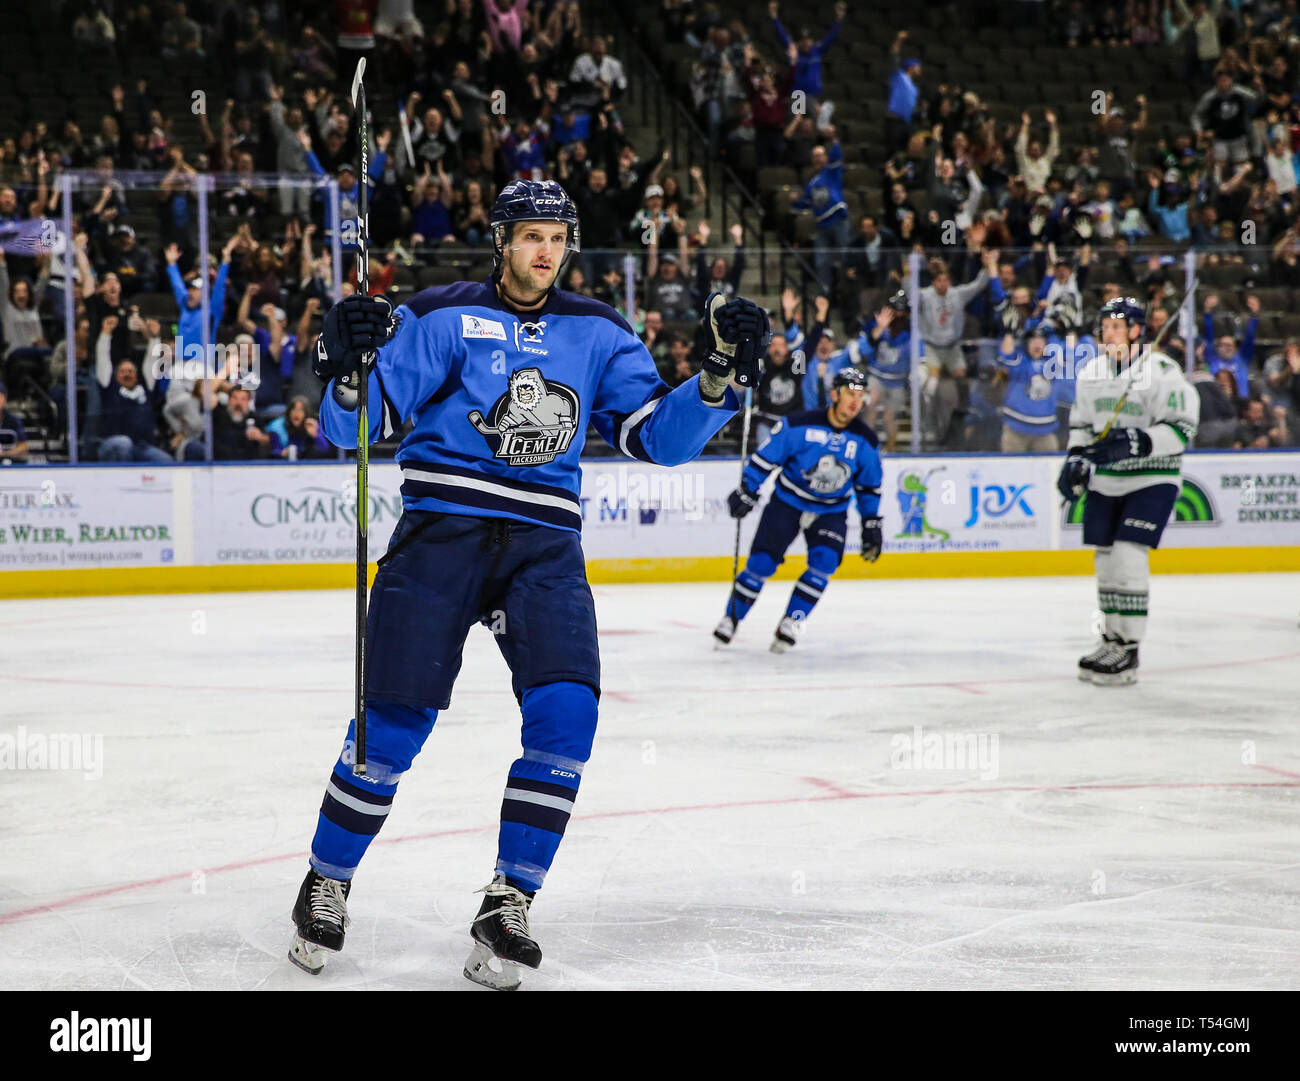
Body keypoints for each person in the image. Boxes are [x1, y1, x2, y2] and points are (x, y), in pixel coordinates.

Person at [289, 179, 768, 989]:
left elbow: (658, 440)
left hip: (545, 545)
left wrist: (715, 376)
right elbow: (356, 429)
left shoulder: (600, 332)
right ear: (501, 239)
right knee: (391, 725)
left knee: (566, 712)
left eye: (557, 237)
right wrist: (344, 371)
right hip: (440, 534)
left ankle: (509, 896)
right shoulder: (440, 314)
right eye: (530, 235)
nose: (545, 250)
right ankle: (327, 877)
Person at [1057, 297, 1200, 685]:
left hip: (1151, 479)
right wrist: (1075, 459)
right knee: (1105, 561)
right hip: (1106, 480)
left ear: (1137, 331)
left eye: (1117, 326)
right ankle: (1112, 639)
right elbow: (1081, 425)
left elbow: (1182, 429)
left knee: (1128, 555)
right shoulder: (1091, 372)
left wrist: (1140, 441)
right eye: (1104, 327)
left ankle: (1131, 650)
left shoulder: (1162, 371)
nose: (1108, 333)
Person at [713, 367, 883, 653]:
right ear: (834, 394)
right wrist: (748, 488)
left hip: (831, 510)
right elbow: (766, 458)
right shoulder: (799, 424)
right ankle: (732, 618)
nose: (855, 401)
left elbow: (868, 486)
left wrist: (871, 522)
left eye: (860, 395)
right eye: (850, 394)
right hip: (788, 502)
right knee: (760, 565)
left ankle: (792, 620)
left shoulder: (866, 440)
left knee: (825, 561)